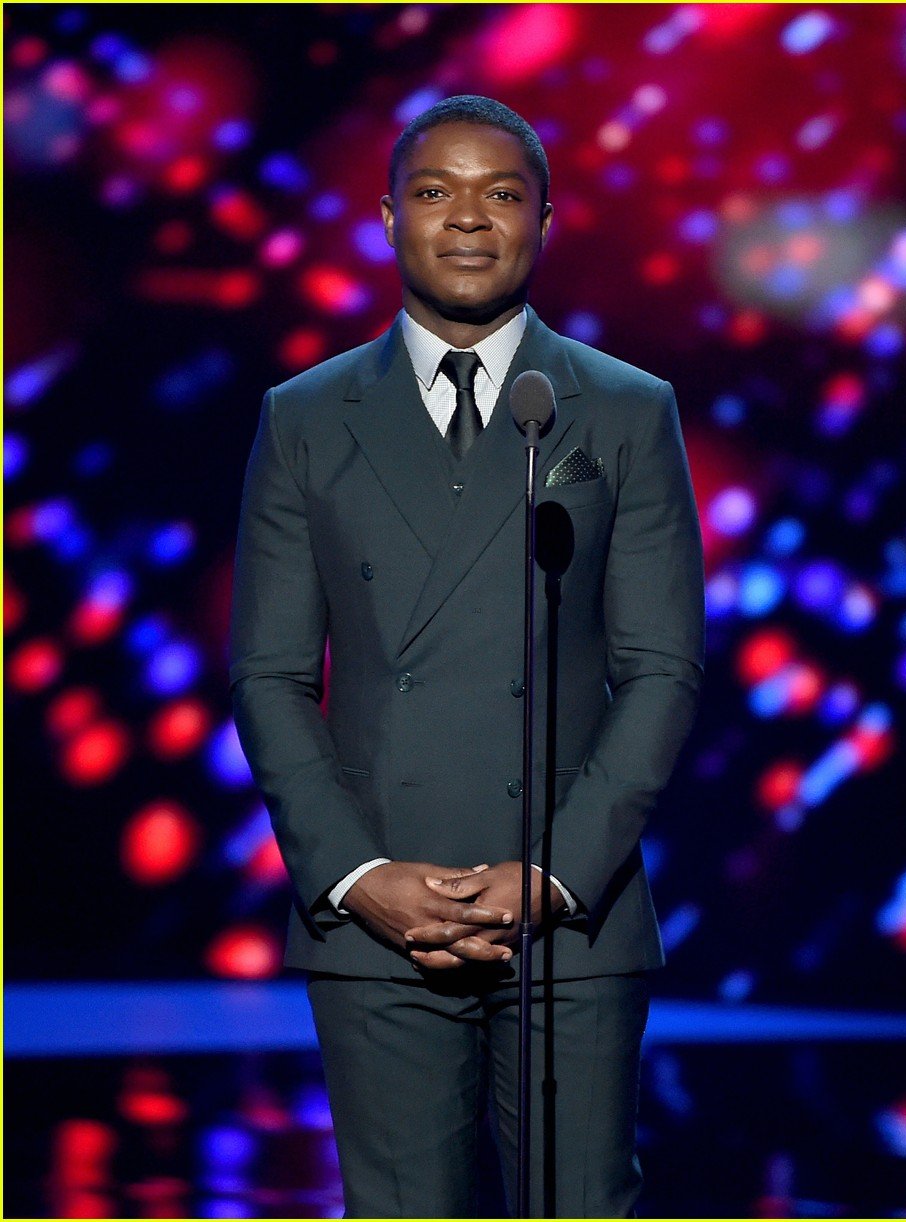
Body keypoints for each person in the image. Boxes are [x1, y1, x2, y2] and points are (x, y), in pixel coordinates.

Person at [230, 95, 705, 1218]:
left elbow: (661, 667)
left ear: (542, 220)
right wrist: (354, 877)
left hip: (568, 913)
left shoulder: (626, 410)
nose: (468, 221)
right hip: (376, 910)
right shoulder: (304, 416)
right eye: (437, 193)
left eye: (501, 194)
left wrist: (554, 872)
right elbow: (269, 673)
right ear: (389, 219)